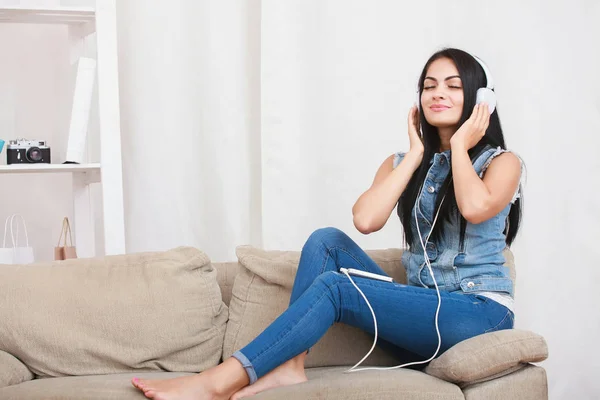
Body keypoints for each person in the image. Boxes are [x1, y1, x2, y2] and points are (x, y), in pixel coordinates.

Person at [131, 47, 523, 400]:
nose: (438, 93)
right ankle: (289, 366)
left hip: (478, 315)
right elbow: (366, 220)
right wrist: (418, 154)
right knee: (327, 241)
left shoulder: (503, 163)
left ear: (480, 99)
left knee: (337, 287)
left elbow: (474, 208)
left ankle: (220, 380)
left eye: (453, 87)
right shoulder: (403, 161)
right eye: (429, 86)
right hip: (425, 326)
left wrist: (458, 145)